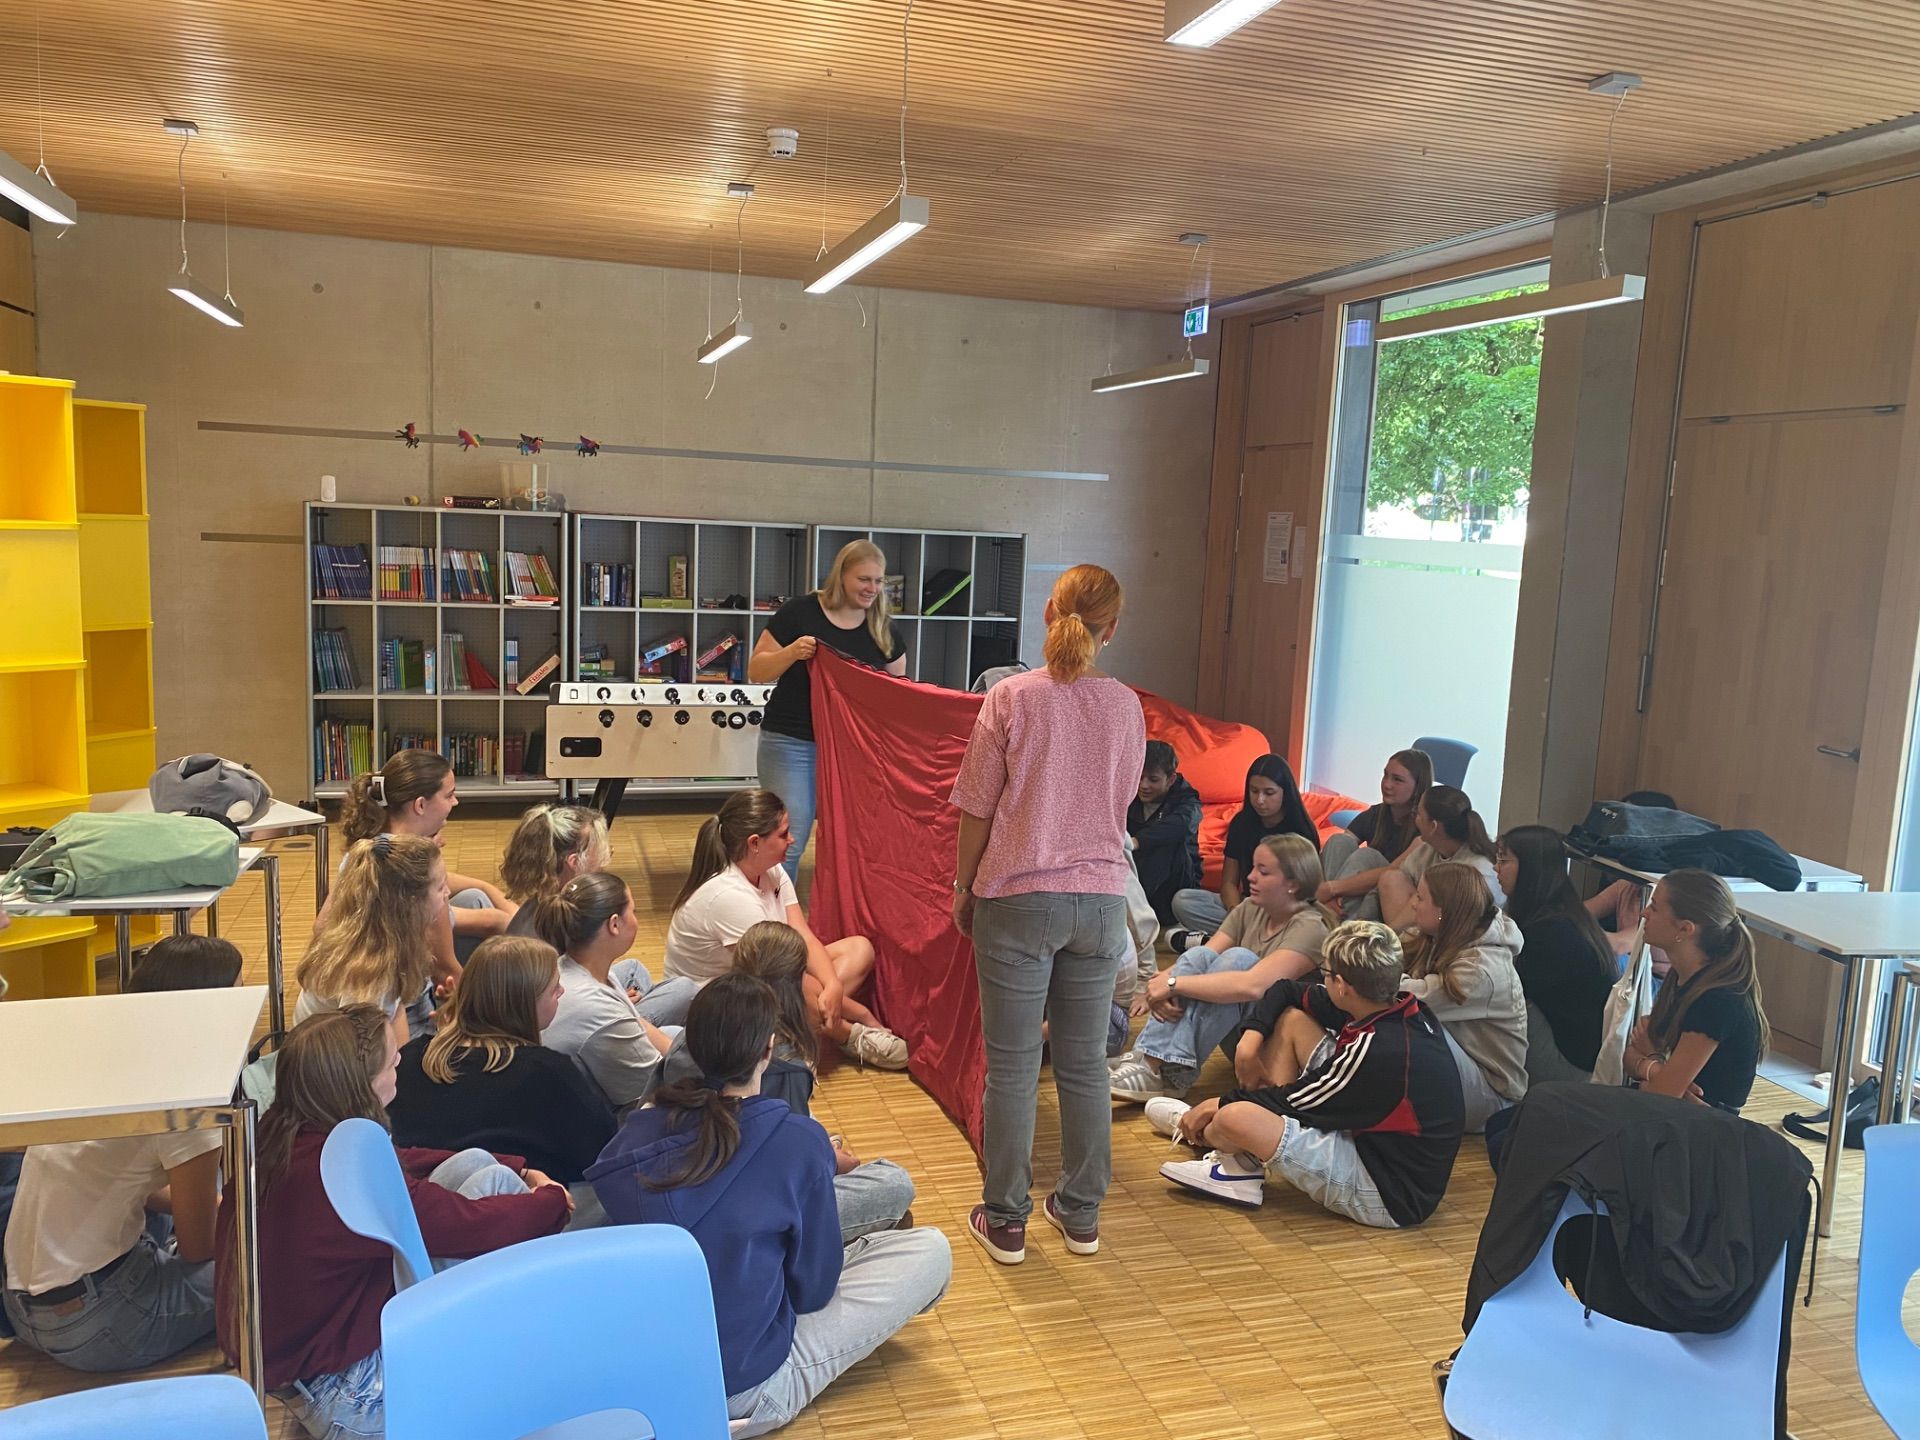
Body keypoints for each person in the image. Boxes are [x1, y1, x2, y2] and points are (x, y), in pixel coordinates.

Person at [586, 974, 951, 1437]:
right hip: (742, 1389)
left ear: (689, 1044)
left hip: (642, 1380)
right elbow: (813, 1290)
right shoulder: (795, 1140)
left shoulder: (636, 1135)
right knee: (929, 1249)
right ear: (768, 1049)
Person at [218, 1006, 570, 1439]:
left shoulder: (287, 1132)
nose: (401, 1058)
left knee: (480, 1166)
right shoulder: (339, 1174)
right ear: (361, 1084)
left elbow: (402, 1162)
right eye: (391, 1059)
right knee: (497, 1202)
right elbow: (464, 1224)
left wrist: (517, 1166)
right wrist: (553, 1199)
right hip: (353, 1395)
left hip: (305, 1364)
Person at [950, 563, 1144, 1265]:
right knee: (1086, 1065)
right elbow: (1123, 801)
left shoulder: (1009, 697)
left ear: (1046, 614)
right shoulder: (1127, 705)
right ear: (1112, 629)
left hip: (1017, 898)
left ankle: (1006, 1220)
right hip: (1102, 902)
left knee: (1011, 1068)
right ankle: (1080, 1214)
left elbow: (977, 806)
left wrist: (963, 886)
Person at [3, 937, 243, 1371]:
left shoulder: (94, 1053)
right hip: (95, 1321)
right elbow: (200, 1246)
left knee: (182, 1189)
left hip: (22, 1307)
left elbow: (120, 1181)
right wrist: (234, 1215)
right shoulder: (190, 1095)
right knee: (264, 1264)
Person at [1151, 920, 1464, 1227]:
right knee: (1292, 1020)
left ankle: (1209, 1136)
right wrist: (1249, 1040)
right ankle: (1238, 1148)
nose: (1322, 980)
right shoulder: (1390, 1006)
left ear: (1342, 986)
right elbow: (1285, 990)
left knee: (1237, 1115)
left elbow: (1296, 1102)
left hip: (1387, 1193)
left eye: (1325, 972)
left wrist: (1219, 1104)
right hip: (1373, 1140)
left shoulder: (1380, 1051)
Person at [660, 922, 917, 1240]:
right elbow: (788, 1168)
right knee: (894, 1184)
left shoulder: (692, 1035)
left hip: (684, 1183)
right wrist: (827, 1159)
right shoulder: (785, 1067)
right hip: (749, 1209)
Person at [664, 789, 907, 1070]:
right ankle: (848, 1035)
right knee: (801, 989)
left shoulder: (772, 870)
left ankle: (799, 1029)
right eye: (783, 834)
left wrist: (833, 986)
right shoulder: (729, 896)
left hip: (762, 980)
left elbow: (804, 936)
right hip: (714, 1007)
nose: (791, 839)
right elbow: (785, 976)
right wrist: (862, 1015)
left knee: (858, 950)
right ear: (755, 843)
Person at [1109, 834, 1332, 1102]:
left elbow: (1253, 986)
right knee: (1199, 954)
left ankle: (1159, 1068)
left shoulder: (1311, 928)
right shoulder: (1251, 908)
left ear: (1293, 884)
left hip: (1270, 1043)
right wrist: (1158, 987)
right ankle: (1151, 1062)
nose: (1250, 877)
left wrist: (1172, 985)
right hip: (1241, 1033)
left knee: (1239, 959)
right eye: (1252, 868)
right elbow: (1204, 956)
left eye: (1263, 872)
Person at [388, 935, 617, 1184]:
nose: (562, 991)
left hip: (420, 1199)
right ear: (525, 1004)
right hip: (530, 1199)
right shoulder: (547, 1073)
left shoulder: (409, 1059)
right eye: (554, 988)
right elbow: (603, 1150)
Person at [748, 539, 909, 873]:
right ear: (842, 575)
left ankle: (839, 906)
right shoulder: (800, 612)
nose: (872, 588)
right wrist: (791, 652)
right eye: (864, 579)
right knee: (787, 841)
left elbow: (898, 696)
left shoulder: (884, 629)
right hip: (791, 742)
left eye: (878, 581)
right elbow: (757, 671)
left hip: (853, 750)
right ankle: (773, 907)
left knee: (851, 843)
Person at [535, 872, 698, 1109]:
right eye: (633, 911)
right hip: (605, 1119)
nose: (636, 918)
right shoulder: (599, 1009)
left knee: (674, 1035)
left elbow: (638, 1023)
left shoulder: (576, 966)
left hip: (589, 1091)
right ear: (614, 924)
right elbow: (655, 1093)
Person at [338, 748, 512, 965]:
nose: (455, 802)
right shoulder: (400, 862)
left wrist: (489, 888)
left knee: (474, 897)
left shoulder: (378, 844)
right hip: (396, 969)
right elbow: (452, 960)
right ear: (420, 805)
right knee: (492, 920)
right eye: (449, 795)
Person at [1399, 863, 1528, 1132]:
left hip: (1492, 1095)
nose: (1412, 903)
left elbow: (1409, 998)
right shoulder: (1437, 935)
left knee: (1410, 1023)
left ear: (1444, 912)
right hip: (1463, 1068)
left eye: (1420, 897)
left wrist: (1367, 974)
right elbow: (1387, 959)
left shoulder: (1483, 970)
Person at [1625, 869, 1768, 1113]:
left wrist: (1652, 1060)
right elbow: (1629, 1056)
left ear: (1685, 929)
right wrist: (1658, 1069)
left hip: (1702, 1126)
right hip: (1676, 1112)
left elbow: (1662, 1095)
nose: (1643, 913)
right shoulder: (1682, 976)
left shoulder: (1717, 1000)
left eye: (1654, 907)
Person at [296, 834, 447, 1043]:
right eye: (440, 888)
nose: (448, 893)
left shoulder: (388, 940)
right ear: (412, 902)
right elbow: (362, 1053)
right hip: (336, 1059)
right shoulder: (370, 974)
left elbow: (396, 1017)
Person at [1494, 825, 1618, 1080]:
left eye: (1504, 860)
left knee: (1500, 999)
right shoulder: (1558, 910)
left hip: (1570, 1062)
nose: (1496, 868)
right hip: (1569, 1045)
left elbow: (1506, 989)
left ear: (1531, 868)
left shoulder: (1552, 930)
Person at [1171, 753, 1321, 943]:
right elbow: (1228, 883)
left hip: (1284, 910)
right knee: (1183, 900)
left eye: (1269, 793)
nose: (1260, 800)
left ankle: (1229, 941)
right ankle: (1248, 939)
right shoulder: (1241, 823)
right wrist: (1236, 913)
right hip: (1248, 904)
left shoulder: (1301, 830)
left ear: (1286, 792)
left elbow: (1306, 894)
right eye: (1254, 791)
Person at [1316, 749, 1434, 919]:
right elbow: (1339, 848)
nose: (1386, 784)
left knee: (1367, 856)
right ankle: (1330, 909)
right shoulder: (1377, 813)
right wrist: (1328, 891)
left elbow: (1392, 871)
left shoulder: (1424, 826)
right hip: (1353, 896)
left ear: (1418, 787)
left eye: (1397, 780)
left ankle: (1334, 920)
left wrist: (1332, 888)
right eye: (1386, 775)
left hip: (1392, 900)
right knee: (1338, 840)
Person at [1372, 784, 1504, 931]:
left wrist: (1389, 933)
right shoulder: (1426, 850)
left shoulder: (1479, 870)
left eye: (1418, 814)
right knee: (1390, 878)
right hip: (1426, 929)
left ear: (1433, 826)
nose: (1415, 819)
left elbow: (1461, 922)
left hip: (1461, 935)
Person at [499, 803, 613, 938]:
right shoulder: (561, 929)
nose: (604, 863)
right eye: (601, 853)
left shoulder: (542, 905)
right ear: (575, 862)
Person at [1126, 740, 1202, 926]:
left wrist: (1136, 841)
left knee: (1168, 841)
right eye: (1139, 777)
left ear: (1171, 779)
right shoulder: (1128, 791)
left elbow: (1183, 825)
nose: (1143, 785)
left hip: (1175, 885)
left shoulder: (1187, 799)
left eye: (1153, 780)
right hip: (1135, 875)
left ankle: (1133, 912)